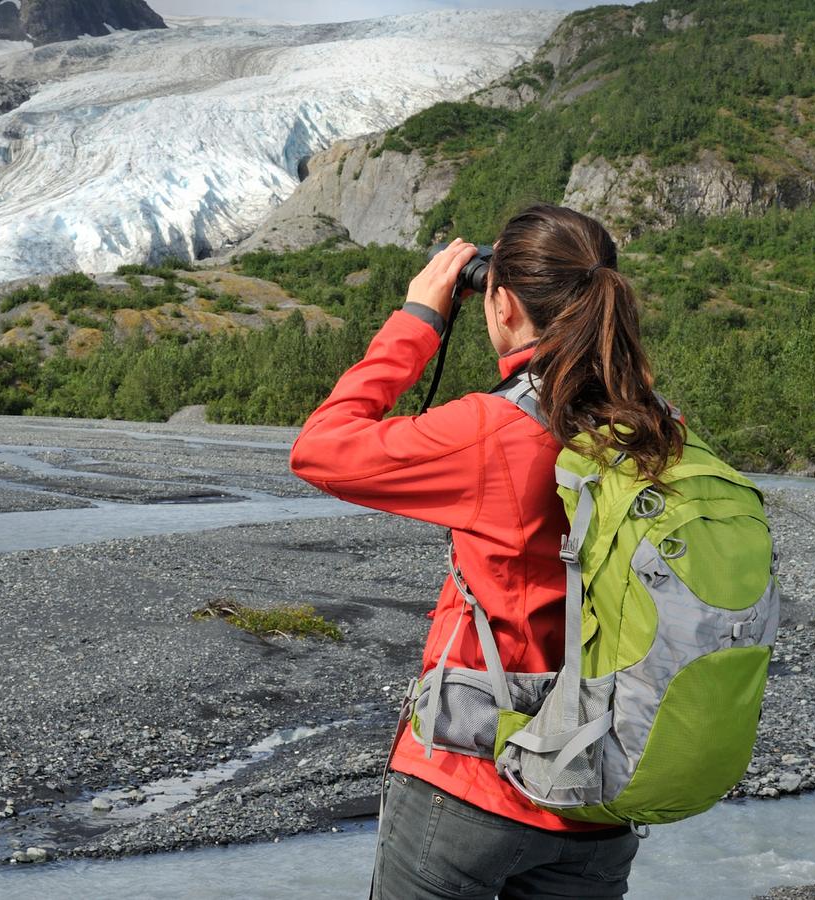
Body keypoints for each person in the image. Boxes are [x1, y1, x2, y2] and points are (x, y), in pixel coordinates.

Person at [290, 203, 686, 899]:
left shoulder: (493, 429)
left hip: (475, 784)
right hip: (600, 786)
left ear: (500, 302)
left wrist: (416, 321)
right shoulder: (657, 427)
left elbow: (319, 449)